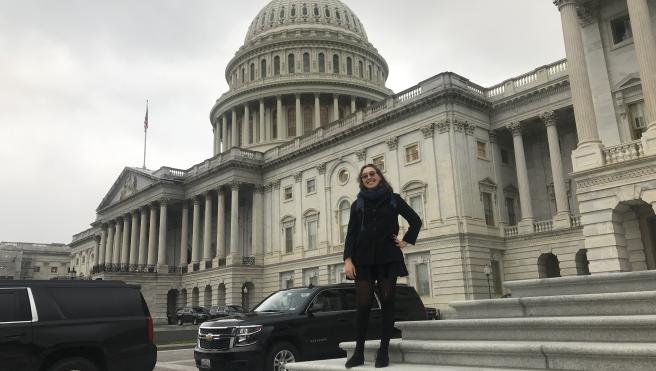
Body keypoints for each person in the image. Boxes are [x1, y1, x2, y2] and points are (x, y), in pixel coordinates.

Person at [343, 163, 422, 368]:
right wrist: (348, 260)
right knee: (363, 305)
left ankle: (383, 352)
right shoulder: (357, 204)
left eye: (372, 174)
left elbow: (415, 220)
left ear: (379, 176)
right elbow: (351, 233)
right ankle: (358, 353)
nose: (369, 177)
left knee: (387, 301)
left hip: (388, 256)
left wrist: (405, 240)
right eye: (365, 176)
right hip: (363, 259)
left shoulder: (393, 199)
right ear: (361, 181)